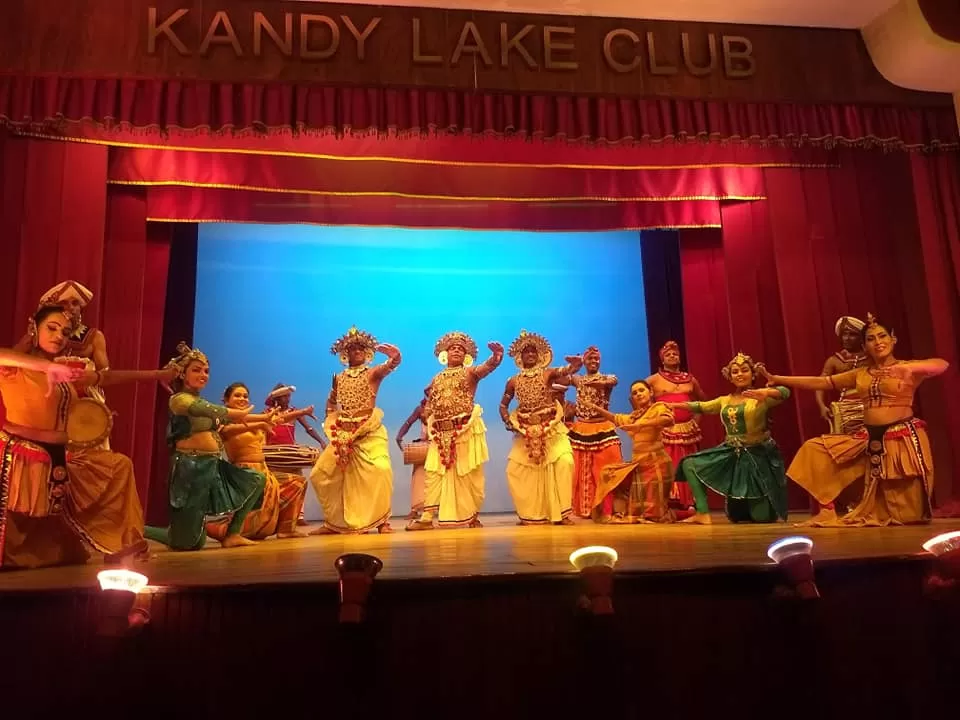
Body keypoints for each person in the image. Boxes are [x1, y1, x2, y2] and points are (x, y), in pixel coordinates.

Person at [0, 305, 171, 569]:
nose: (59, 336)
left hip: (58, 456)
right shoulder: (14, 368)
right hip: (24, 456)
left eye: (65, 332)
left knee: (118, 466)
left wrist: (157, 374)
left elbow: (108, 377)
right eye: (52, 328)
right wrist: (45, 367)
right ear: (34, 326)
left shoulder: (63, 372)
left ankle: (123, 546)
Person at [760, 313, 949, 526]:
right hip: (868, 437)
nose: (878, 342)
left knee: (906, 516)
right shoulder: (861, 373)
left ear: (892, 339)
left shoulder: (908, 368)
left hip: (900, 439)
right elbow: (822, 382)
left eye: (882, 336)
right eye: (871, 339)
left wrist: (910, 368)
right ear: (865, 345)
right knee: (815, 450)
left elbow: (941, 364)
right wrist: (778, 379)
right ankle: (828, 509)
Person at [144, 343, 273, 551]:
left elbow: (224, 414)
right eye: (196, 370)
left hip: (212, 465)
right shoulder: (179, 400)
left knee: (257, 479)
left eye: (206, 371)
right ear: (181, 374)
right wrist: (241, 414)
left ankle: (232, 534)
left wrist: (264, 417)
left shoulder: (198, 399)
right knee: (187, 543)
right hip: (190, 468)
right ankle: (138, 530)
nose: (204, 375)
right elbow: (213, 411)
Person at [669, 352, 790, 525]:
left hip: (757, 458)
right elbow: (702, 406)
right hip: (732, 453)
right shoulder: (725, 400)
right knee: (690, 464)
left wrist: (768, 391)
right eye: (735, 372)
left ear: (753, 374)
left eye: (744, 370)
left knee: (761, 518)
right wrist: (674, 405)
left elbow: (785, 392)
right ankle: (702, 512)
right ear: (730, 377)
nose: (739, 374)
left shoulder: (762, 397)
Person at [407, 332, 503, 530]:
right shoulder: (436, 378)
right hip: (440, 433)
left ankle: (471, 515)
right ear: (445, 354)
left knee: (468, 474)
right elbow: (431, 403)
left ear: (466, 355)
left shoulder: (470, 372)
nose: (457, 350)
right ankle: (426, 517)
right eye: (453, 348)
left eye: (461, 348)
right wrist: (428, 415)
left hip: (464, 429)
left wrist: (495, 357)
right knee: (433, 473)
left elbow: (486, 368)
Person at [309, 327, 401, 535]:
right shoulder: (338, 378)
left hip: (369, 432)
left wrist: (395, 358)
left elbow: (388, 367)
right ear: (345, 354)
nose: (356, 351)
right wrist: (331, 422)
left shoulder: (372, 373)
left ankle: (382, 521)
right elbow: (331, 403)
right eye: (352, 348)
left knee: (381, 470)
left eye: (361, 348)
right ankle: (334, 522)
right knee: (320, 475)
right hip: (343, 434)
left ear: (367, 352)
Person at [208, 382, 313, 540]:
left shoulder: (251, 419)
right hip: (244, 473)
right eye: (237, 395)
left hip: (263, 470)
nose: (242, 398)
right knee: (253, 519)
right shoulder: (224, 420)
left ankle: (286, 530)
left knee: (297, 483)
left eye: (245, 396)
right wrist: (261, 423)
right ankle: (218, 530)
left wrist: (303, 411)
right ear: (226, 400)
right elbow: (230, 430)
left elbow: (280, 418)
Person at [499, 330, 582, 525]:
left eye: (533, 352)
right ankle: (532, 514)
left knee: (564, 463)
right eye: (526, 352)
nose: (530, 355)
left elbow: (565, 371)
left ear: (539, 356)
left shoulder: (548, 373)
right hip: (525, 432)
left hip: (551, 428)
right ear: (520, 356)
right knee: (515, 471)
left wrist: (575, 365)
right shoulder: (513, 381)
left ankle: (562, 513)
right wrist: (507, 419)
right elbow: (503, 405)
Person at [584, 380, 676, 523]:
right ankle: (608, 513)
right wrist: (595, 407)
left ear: (650, 392)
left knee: (654, 515)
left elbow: (667, 420)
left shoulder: (659, 407)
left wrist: (640, 425)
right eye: (635, 393)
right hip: (639, 465)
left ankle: (683, 514)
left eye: (641, 390)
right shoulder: (634, 416)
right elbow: (615, 418)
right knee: (609, 473)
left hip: (656, 464)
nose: (638, 394)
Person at [646, 341, 705, 515]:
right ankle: (669, 500)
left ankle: (690, 502)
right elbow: (637, 399)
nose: (673, 356)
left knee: (688, 464)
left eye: (675, 354)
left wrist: (696, 421)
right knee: (668, 464)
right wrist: (652, 423)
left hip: (687, 431)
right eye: (668, 354)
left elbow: (702, 402)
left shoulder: (690, 379)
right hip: (665, 431)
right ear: (662, 359)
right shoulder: (654, 380)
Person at [567, 346, 622, 520]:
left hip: (602, 427)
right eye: (590, 359)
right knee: (581, 470)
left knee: (605, 470)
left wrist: (600, 383)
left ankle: (607, 509)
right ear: (585, 362)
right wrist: (572, 366)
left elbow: (614, 380)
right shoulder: (578, 379)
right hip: (582, 428)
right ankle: (586, 510)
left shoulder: (607, 378)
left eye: (596, 359)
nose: (594, 362)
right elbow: (562, 378)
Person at [263, 383, 326, 526]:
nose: (287, 398)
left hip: (289, 454)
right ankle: (274, 516)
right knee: (274, 486)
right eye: (284, 396)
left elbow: (308, 428)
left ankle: (298, 516)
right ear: (277, 397)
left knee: (299, 482)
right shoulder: (267, 413)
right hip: (273, 455)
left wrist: (321, 441)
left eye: (288, 395)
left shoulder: (294, 411)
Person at [396, 392, 429, 520]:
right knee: (418, 477)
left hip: (439, 444)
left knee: (441, 477)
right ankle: (415, 509)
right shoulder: (421, 408)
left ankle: (442, 509)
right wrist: (400, 435)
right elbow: (409, 422)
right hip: (424, 446)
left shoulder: (442, 406)